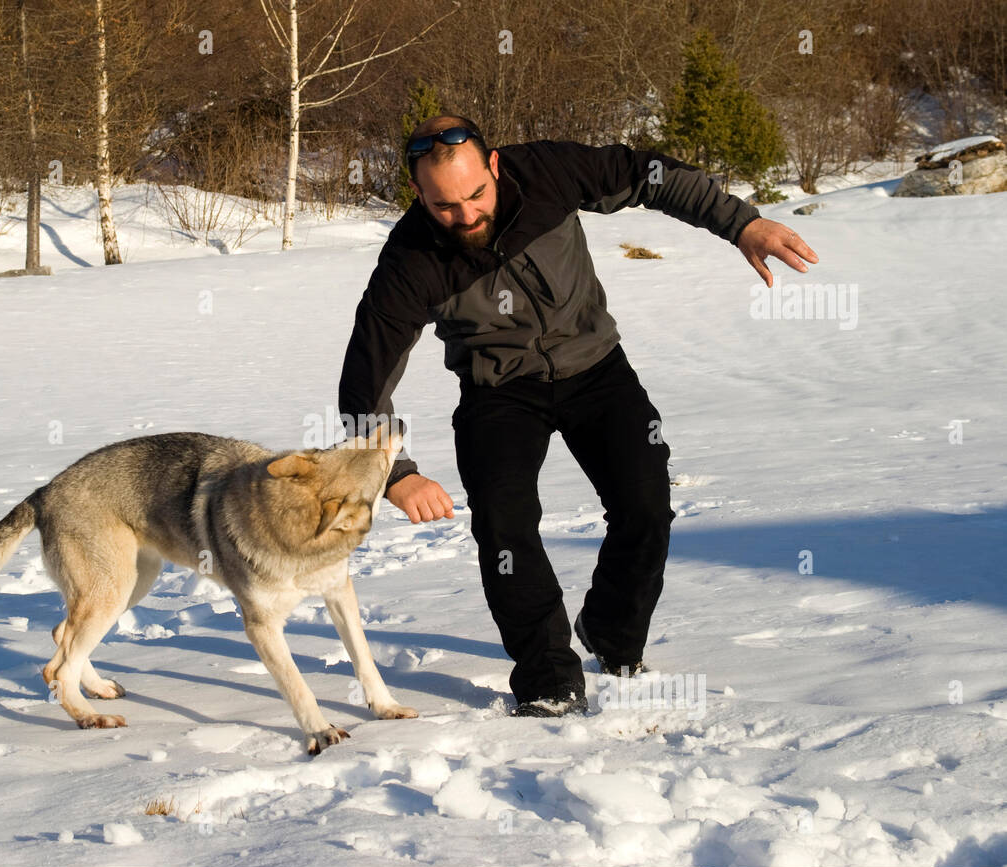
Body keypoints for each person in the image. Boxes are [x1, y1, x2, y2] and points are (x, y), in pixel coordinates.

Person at [337, 114, 818, 717]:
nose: (465, 216)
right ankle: (547, 679)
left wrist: (741, 223)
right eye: (444, 206)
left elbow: (651, 176)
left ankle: (612, 636)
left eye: (475, 195)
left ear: (493, 166)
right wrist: (396, 471)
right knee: (504, 524)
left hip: (595, 369)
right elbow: (365, 377)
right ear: (418, 195)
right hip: (499, 392)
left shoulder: (548, 172)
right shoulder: (411, 260)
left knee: (644, 504)